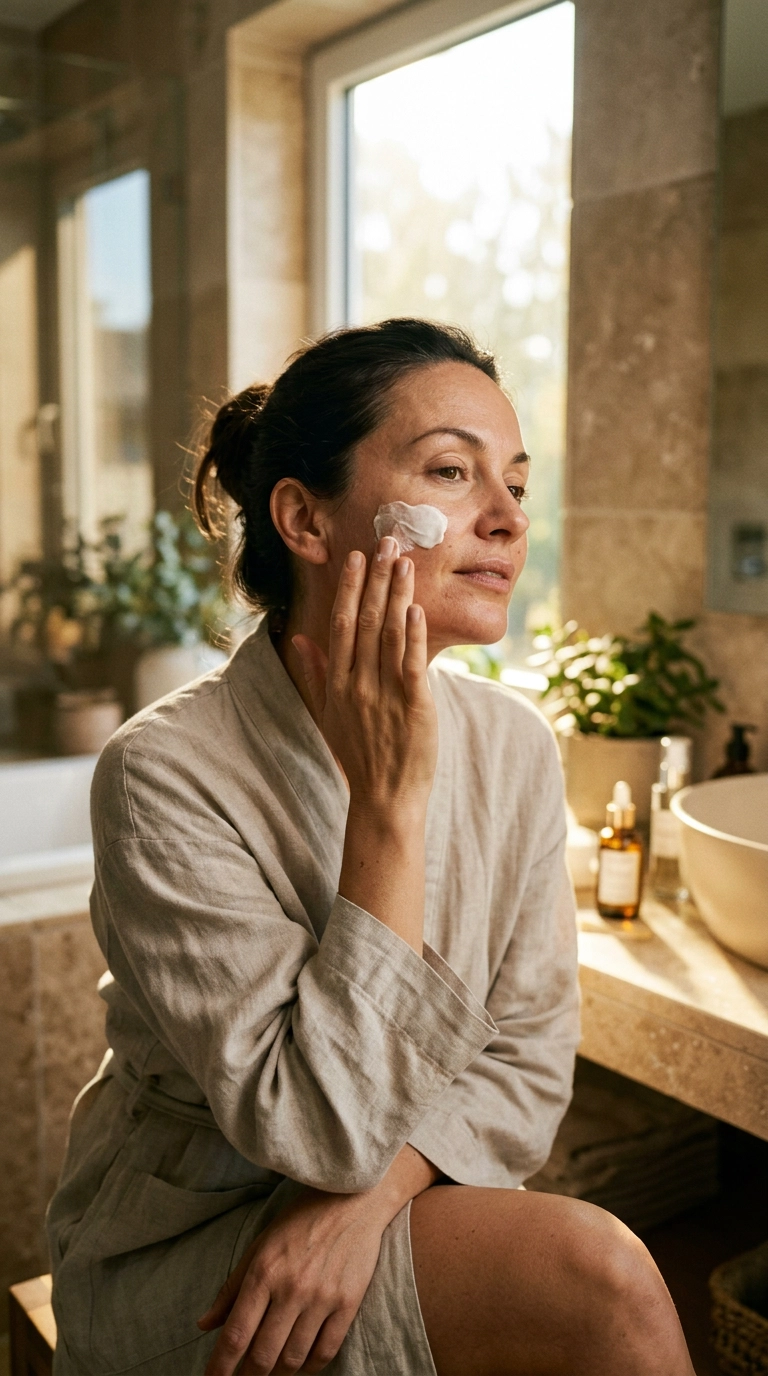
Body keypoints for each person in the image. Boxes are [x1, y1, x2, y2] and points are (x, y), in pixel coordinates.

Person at [47, 319, 695, 1376]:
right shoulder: (163, 772)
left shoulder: (517, 746)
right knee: (601, 1276)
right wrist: (389, 805)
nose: (506, 518)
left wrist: (363, 1206)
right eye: (450, 469)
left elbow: (528, 1065)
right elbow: (321, 1127)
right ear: (302, 515)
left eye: (518, 484)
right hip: (192, 1255)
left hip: (406, 1193)